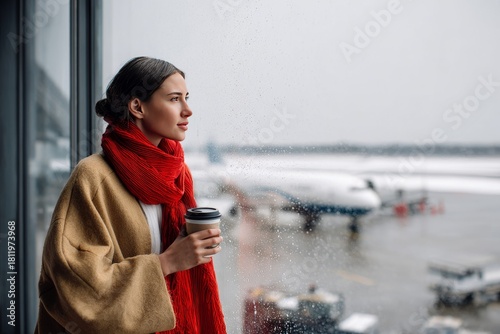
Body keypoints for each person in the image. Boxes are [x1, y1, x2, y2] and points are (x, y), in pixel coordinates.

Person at [35, 56, 227, 334]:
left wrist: (192, 247)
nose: (188, 110)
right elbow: (77, 289)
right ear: (137, 106)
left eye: (187, 98)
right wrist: (170, 261)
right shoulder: (93, 176)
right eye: (175, 99)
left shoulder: (177, 172)